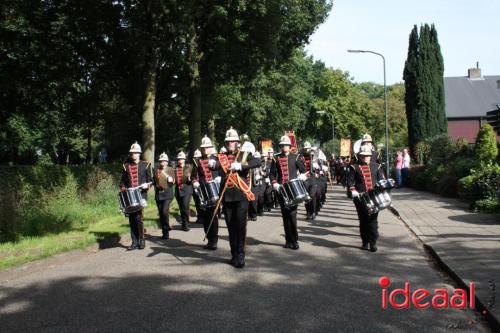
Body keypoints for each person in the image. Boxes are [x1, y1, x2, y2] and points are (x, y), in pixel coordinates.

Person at [217, 127, 260, 268]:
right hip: (227, 196)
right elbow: (213, 165)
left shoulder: (244, 154)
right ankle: (233, 254)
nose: (230, 144)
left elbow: (257, 162)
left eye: (233, 141)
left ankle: (241, 256)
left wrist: (241, 165)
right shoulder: (221, 156)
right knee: (231, 227)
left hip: (241, 195)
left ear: (237, 142)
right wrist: (212, 164)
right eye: (228, 142)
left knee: (240, 226)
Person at [270, 135, 307, 250]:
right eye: (282, 145)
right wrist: (275, 183)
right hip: (282, 189)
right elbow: (271, 174)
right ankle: (288, 240)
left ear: (290, 146)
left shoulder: (296, 157)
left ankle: (294, 240)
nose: (284, 147)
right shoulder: (275, 158)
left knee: (293, 215)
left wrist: (302, 176)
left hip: (293, 190)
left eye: (286, 145)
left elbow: (304, 171)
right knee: (285, 215)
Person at [347, 145, 386, 252]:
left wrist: (383, 188)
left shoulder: (377, 166)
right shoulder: (354, 167)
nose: (365, 158)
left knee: (373, 220)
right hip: (360, 198)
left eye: (367, 156)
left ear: (370, 156)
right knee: (363, 220)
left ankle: (373, 243)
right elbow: (349, 181)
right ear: (359, 156)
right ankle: (365, 242)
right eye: (363, 156)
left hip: (374, 197)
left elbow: (381, 180)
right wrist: (353, 190)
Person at [119, 142, 152, 250]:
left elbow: (151, 181)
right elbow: (122, 182)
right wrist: (124, 189)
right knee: (132, 219)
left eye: (135, 153)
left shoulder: (145, 165)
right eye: (132, 153)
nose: (133, 155)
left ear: (139, 153)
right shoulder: (126, 166)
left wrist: (146, 185)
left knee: (139, 218)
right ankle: (134, 242)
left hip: (141, 195)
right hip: (129, 196)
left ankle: (142, 240)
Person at [192, 135, 222, 250]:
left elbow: (223, 172)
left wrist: (220, 177)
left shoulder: (217, 158)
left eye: (207, 147)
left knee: (213, 216)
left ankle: (214, 240)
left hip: (215, 191)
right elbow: (194, 176)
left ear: (211, 147)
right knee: (205, 217)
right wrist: (195, 182)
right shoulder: (197, 161)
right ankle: (209, 239)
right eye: (203, 148)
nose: (205, 149)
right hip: (203, 191)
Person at [153, 152, 175, 239]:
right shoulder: (156, 170)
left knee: (164, 211)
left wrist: (171, 179)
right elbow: (154, 181)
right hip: (159, 194)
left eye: (164, 161)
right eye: (161, 161)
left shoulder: (170, 170)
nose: (163, 163)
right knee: (161, 214)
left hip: (167, 194)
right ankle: (165, 232)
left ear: (167, 162)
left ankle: (166, 227)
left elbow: (173, 181)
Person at [300, 141, 320, 221]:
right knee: (306, 197)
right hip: (305, 179)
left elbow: (319, 166)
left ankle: (313, 212)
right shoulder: (301, 156)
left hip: (313, 178)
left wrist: (317, 172)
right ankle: (308, 213)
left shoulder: (314, 155)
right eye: (305, 149)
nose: (306, 150)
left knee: (312, 196)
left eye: (308, 148)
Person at [174, 151, 193, 231]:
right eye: (179, 159)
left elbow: (193, 179)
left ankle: (186, 224)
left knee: (185, 206)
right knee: (181, 207)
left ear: (184, 159)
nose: (180, 160)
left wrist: (189, 178)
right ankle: (183, 223)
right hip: (178, 190)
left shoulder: (189, 168)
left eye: (181, 159)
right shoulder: (175, 169)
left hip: (187, 189)